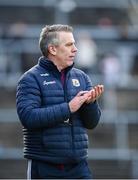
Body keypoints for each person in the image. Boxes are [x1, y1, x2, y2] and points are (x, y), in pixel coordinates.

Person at [16, 24, 104, 179]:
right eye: (69, 44)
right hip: (44, 166)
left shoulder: (82, 77)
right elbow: (28, 118)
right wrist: (68, 107)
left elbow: (92, 123)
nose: (75, 49)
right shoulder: (30, 79)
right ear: (53, 49)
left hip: (79, 167)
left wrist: (91, 104)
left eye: (74, 44)